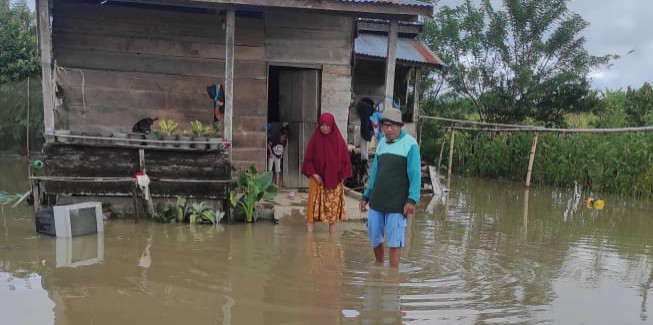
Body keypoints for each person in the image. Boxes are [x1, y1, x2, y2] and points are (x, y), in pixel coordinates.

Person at [359, 108, 421, 267]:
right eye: (385, 125)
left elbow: (415, 174)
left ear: (400, 126)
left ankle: (393, 277)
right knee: (374, 233)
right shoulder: (381, 145)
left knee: (394, 240)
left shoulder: (410, 144)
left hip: (397, 203)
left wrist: (412, 200)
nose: (389, 129)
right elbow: (375, 173)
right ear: (381, 127)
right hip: (378, 199)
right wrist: (366, 195)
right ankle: (379, 266)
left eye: (393, 126)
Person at [301, 112, 353, 233]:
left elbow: (345, 161)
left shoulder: (338, 141)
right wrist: (314, 175)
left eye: (327, 125)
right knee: (311, 211)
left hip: (334, 182)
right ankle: (310, 237)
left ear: (332, 125)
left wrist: (340, 179)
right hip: (316, 180)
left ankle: (332, 239)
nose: (324, 128)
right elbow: (308, 160)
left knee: (332, 212)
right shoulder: (315, 139)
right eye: (322, 125)